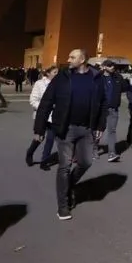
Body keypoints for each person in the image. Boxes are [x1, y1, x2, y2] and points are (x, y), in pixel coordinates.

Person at [34, 49, 107, 221]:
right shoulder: (63, 77)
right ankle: (63, 206)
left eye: (72, 57)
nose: (68, 59)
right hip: (66, 129)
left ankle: (69, 185)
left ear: (83, 59)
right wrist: (39, 129)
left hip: (87, 129)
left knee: (86, 162)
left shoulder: (97, 78)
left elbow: (103, 103)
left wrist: (100, 125)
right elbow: (46, 102)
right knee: (64, 166)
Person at [25, 65, 58, 167]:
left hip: (54, 116)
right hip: (42, 115)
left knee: (51, 138)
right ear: (48, 73)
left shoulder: (59, 85)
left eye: (58, 73)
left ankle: (45, 160)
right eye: (54, 73)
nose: (57, 75)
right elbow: (33, 100)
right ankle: (30, 153)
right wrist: (46, 107)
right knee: (39, 138)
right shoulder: (39, 84)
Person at [100, 59, 131, 162]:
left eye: (113, 65)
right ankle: (94, 149)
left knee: (112, 131)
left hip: (113, 109)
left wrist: (128, 82)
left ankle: (111, 153)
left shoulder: (117, 77)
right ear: (104, 67)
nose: (112, 67)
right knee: (98, 130)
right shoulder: (98, 78)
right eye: (109, 65)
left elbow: (125, 88)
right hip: (100, 109)